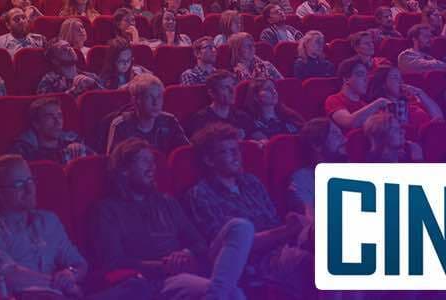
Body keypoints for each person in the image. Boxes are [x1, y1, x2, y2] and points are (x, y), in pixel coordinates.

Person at [92, 137, 253, 299]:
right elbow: (114, 261)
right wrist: (164, 266)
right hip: (154, 280)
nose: (152, 167)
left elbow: (199, 243)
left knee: (241, 227)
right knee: (234, 294)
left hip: (188, 268)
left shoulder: (167, 202)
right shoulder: (108, 209)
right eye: (144, 161)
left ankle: (215, 295)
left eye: (152, 162)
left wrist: (185, 254)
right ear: (124, 169)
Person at [184, 123, 312, 298]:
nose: (236, 156)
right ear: (209, 160)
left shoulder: (251, 182)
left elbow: (274, 223)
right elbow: (231, 248)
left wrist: (291, 223)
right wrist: (286, 230)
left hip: (284, 248)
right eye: (227, 151)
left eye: (237, 150)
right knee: (319, 265)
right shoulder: (201, 194)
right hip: (255, 264)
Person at [0, 155, 90, 299]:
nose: (29, 189)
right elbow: (6, 275)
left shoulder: (49, 220)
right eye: (19, 184)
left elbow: (79, 263)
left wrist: (71, 274)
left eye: (30, 180)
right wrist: (60, 284)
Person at [105, 74, 189, 154]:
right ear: (135, 100)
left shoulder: (170, 121)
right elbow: (114, 161)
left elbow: (185, 152)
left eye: (159, 97)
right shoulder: (121, 125)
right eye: (149, 97)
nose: (155, 103)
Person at [287, 118, 347, 216]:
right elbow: (310, 218)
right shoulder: (303, 179)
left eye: (341, 135)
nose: (345, 140)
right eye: (336, 135)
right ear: (316, 145)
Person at [8, 97, 93, 164]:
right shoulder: (23, 150)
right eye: (49, 116)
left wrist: (81, 148)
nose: (57, 121)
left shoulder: (73, 140)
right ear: (36, 124)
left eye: (59, 115)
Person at [366, 65, 444, 126]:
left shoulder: (413, 104)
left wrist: (420, 92)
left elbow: (439, 119)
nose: (400, 81)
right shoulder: (376, 109)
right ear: (383, 84)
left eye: (401, 78)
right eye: (395, 77)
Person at [185, 70, 254, 137]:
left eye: (233, 85)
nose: (232, 91)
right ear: (212, 93)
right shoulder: (200, 120)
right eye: (225, 87)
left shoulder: (242, 117)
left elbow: (257, 138)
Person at [326, 57, 389, 129]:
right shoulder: (334, 100)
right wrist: (378, 103)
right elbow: (348, 122)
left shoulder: (364, 105)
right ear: (346, 79)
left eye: (367, 75)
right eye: (361, 74)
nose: (366, 79)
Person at [36, 40, 102, 97]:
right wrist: (73, 91)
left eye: (69, 46)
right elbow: (44, 104)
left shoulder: (91, 76)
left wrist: (93, 85)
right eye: (63, 49)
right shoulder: (49, 80)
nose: (69, 49)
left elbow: (106, 100)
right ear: (55, 60)